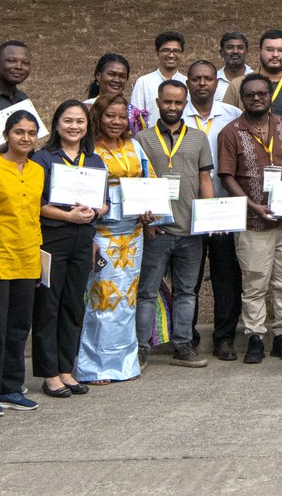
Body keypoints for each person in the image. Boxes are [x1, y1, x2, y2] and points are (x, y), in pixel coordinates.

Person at [218, 74, 282, 364]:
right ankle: (255, 336)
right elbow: (227, 177)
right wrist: (253, 206)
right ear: (242, 98)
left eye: (262, 94)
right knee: (254, 282)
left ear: (270, 97)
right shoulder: (230, 132)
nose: (257, 98)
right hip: (253, 222)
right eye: (251, 94)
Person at [133, 80, 216, 369]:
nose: (172, 107)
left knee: (186, 291)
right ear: (158, 102)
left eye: (178, 102)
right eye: (167, 102)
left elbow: (205, 178)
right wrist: (144, 223)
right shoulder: (142, 138)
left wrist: (210, 217)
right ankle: (141, 348)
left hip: (190, 230)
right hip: (157, 229)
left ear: (186, 104)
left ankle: (183, 346)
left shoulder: (198, 138)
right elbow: (138, 181)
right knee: (147, 291)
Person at [75, 94, 157, 385]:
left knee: (126, 301)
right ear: (98, 116)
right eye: (110, 115)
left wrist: (152, 214)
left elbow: (149, 181)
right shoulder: (88, 149)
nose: (116, 122)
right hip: (102, 232)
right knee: (101, 299)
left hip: (132, 234)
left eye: (121, 116)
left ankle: (124, 363)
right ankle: (94, 366)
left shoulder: (134, 146)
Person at [31, 100, 108, 398]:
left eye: (80, 121)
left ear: (87, 126)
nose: (74, 126)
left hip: (82, 241)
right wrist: (68, 216)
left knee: (73, 306)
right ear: (56, 124)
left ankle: (67, 369)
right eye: (68, 120)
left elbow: (105, 201)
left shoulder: (94, 161)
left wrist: (96, 211)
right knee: (48, 306)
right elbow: (37, 205)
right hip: (53, 239)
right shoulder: (43, 159)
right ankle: (49, 374)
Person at [0, 110, 44, 417]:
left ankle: (12, 387)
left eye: (30, 133)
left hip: (28, 255)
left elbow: (36, 214)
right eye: (19, 132)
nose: (25, 138)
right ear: (6, 135)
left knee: (18, 327)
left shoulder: (38, 170)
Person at [182, 60, 244, 361]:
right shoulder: (175, 115)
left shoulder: (231, 115)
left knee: (226, 277)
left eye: (208, 78)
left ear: (216, 84)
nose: (202, 83)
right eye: (196, 79)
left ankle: (224, 338)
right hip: (187, 211)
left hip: (224, 209)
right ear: (188, 83)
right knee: (188, 279)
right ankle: (187, 337)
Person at [223, 30, 282, 122]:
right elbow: (225, 121)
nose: (275, 55)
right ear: (259, 53)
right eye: (269, 50)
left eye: (281, 50)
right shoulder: (237, 85)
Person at [129, 31, 187, 128]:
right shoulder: (144, 82)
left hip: (182, 140)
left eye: (176, 51)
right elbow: (135, 120)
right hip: (150, 141)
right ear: (157, 53)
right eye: (166, 50)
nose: (171, 55)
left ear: (182, 54)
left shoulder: (187, 83)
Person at [85, 54, 151, 135]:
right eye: (112, 74)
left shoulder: (132, 113)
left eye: (122, 76)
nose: (117, 80)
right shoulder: (85, 109)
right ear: (98, 76)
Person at [216, 32, 253, 103]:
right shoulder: (213, 80)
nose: (235, 51)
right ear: (221, 52)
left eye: (240, 48)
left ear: (247, 52)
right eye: (230, 47)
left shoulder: (255, 77)